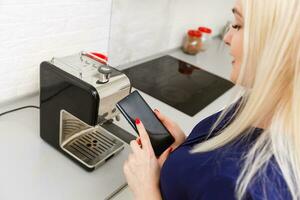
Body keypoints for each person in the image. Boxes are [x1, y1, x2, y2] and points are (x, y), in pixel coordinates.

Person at [123, 0, 300, 199]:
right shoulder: (261, 104)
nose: (226, 37)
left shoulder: (241, 186)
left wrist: (145, 190)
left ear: (277, 42)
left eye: (238, 25)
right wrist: (185, 147)